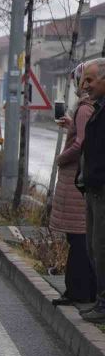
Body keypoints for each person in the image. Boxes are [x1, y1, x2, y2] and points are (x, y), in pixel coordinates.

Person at [49, 62, 95, 306]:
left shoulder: (84, 108)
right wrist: (70, 125)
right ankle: (81, 290)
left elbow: (81, 144)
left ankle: (78, 291)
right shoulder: (87, 108)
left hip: (75, 181)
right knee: (79, 241)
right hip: (78, 180)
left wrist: (60, 158)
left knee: (78, 241)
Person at [79, 58, 105, 322]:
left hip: (102, 190)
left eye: (90, 80)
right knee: (94, 248)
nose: (84, 85)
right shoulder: (98, 109)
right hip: (94, 190)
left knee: (101, 247)